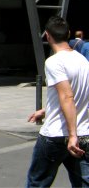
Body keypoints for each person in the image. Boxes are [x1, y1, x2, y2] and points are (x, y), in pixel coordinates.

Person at [26, 16, 89, 187]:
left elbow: (67, 96)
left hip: (56, 135)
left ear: (47, 35)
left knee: (37, 182)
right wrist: (46, 109)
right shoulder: (82, 61)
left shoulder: (54, 62)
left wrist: (72, 135)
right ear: (68, 34)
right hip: (83, 134)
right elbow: (77, 94)